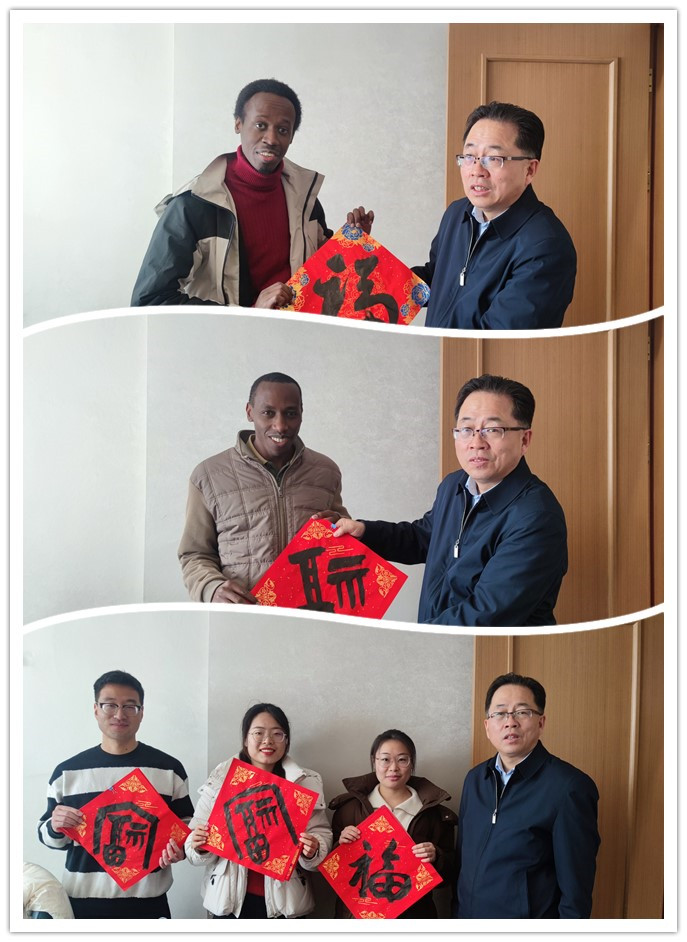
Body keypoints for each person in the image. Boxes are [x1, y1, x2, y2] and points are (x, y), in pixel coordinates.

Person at [332, 374, 567, 626]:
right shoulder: (454, 484)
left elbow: (485, 614)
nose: (476, 443)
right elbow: (425, 537)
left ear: (524, 439)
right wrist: (365, 532)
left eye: (492, 430)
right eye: (466, 429)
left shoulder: (536, 517)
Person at [132, 77, 373, 308]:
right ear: (238, 124)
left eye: (283, 130)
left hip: (297, 334)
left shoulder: (305, 200)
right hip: (229, 337)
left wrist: (352, 246)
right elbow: (150, 299)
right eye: (260, 125)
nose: (271, 138)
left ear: (291, 136)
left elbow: (322, 282)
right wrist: (249, 314)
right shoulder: (194, 205)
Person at [178, 371, 348, 603]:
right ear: (250, 412)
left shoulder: (326, 471)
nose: (280, 425)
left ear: (301, 413)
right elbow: (195, 553)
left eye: (291, 413)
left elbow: (344, 538)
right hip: (243, 614)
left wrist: (340, 527)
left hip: (311, 612)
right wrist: (211, 588)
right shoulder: (208, 475)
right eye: (268, 413)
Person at [37, 670, 194, 919]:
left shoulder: (168, 769)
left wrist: (181, 849)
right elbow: (47, 836)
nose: (120, 714)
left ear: (142, 712)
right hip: (82, 905)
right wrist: (55, 826)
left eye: (130, 706)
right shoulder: (67, 772)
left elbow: (187, 827)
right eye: (110, 705)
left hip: (149, 905)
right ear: (96, 709)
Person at [413, 101, 576, 329]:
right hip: (445, 351)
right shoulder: (457, 213)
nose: (476, 170)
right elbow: (436, 281)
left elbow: (498, 340)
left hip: (475, 355)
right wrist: (364, 255)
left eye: (493, 159)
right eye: (469, 156)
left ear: (529, 170)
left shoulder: (545, 246)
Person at [454, 673, 600, 918]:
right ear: (487, 726)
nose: (510, 722)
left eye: (522, 712)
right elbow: (462, 861)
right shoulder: (475, 779)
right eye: (500, 713)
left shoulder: (570, 787)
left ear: (541, 723)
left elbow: (576, 892)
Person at [185, 703, 332, 919]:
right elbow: (191, 844)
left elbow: (322, 834)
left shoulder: (304, 782)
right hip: (229, 903)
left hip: (286, 904)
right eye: (258, 733)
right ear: (245, 739)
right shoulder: (221, 779)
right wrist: (199, 846)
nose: (267, 740)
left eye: (277, 734)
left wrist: (314, 849)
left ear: (287, 740)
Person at [329, 729, 457, 918]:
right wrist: (341, 846)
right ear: (374, 762)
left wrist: (436, 856)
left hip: (414, 916)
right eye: (385, 759)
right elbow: (333, 873)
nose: (393, 768)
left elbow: (449, 875)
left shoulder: (433, 814)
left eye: (402, 759)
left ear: (412, 763)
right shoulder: (349, 809)